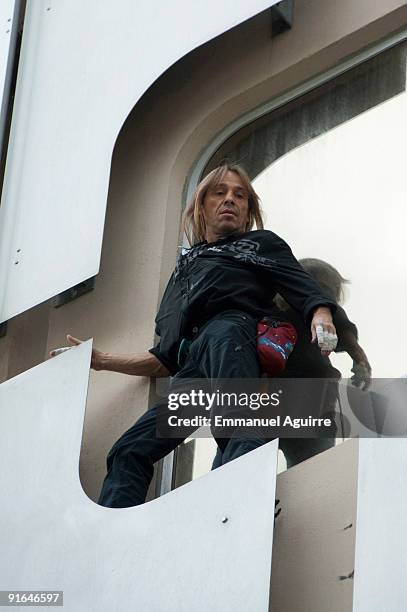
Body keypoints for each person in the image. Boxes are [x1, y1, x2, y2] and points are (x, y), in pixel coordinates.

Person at [54, 164, 338, 508]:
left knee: (239, 422)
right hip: (195, 368)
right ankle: (112, 530)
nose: (230, 200)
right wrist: (100, 361)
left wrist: (321, 315)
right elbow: (164, 360)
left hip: (232, 335)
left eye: (240, 195)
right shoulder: (183, 272)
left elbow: (302, 286)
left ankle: (238, 507)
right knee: (129, 450)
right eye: (220, 193)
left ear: (248, 210)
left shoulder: (259, 244)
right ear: (202, 205)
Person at [273, 258, 371, 468]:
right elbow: (339, 326)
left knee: (244, 458)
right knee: (314, 469)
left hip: (268, 392)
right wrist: (359, 357)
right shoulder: (319, 304)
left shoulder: (273, 303)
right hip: (311, 396)